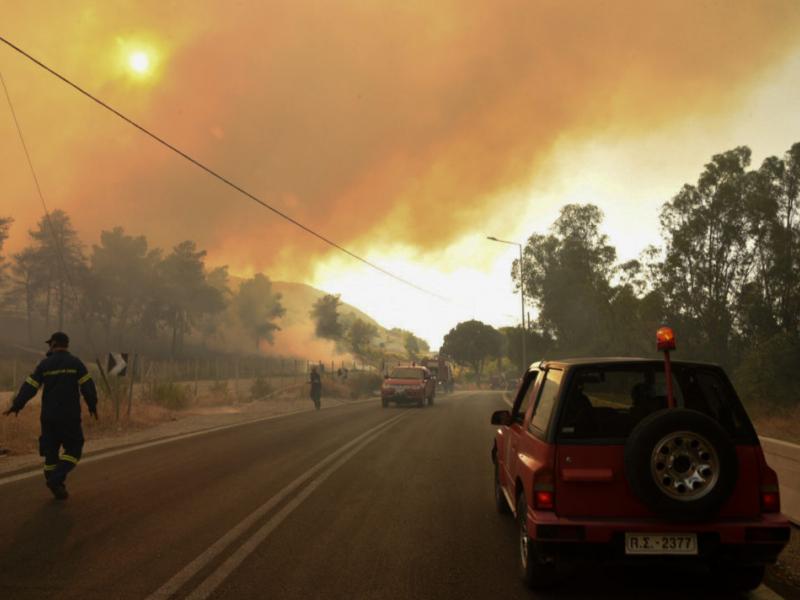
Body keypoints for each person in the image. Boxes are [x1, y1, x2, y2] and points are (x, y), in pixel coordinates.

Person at [3, 332, 98, 500]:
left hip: (48, 418)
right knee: (75, 448)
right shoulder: (76, 363)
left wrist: (17, 405)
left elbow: (30, 386)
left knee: (50, 453)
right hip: (69, 417)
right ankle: (56, 479)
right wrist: (92, 405)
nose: (48, 348)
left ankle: (57, 485)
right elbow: (87, 386)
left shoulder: (44, 365)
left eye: (49, 345)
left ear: (54, 344)